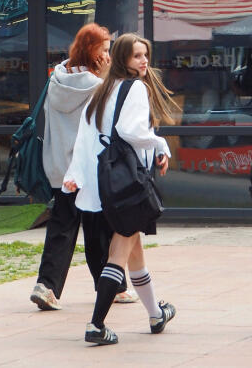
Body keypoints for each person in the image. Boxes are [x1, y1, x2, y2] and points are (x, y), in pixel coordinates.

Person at [63, 32, 178, 346]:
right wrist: (160, 144)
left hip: (105, 181)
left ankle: (155, 314)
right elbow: (131, 130)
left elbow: (85, 136)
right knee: (119, 253)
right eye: (137, 55)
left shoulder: (105, 89)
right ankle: (96, 324)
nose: (144, 61)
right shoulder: (135, 87)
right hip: (128, 183)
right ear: (123, 58)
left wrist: (76, 176)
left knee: (133, 250)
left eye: (145, 55)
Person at [30, 23, 134, 311]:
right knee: (98, 227)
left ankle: (46, 286)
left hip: (59, 166)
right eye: (105, 50)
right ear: (94, 53)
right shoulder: (97, 86)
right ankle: (112, 287)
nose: (109, 56)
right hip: (86, 167)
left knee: (62, 226)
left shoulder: (56, 79)